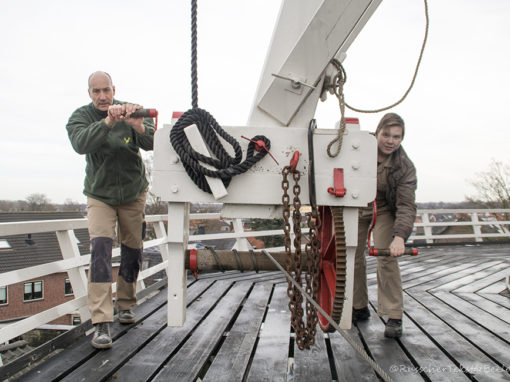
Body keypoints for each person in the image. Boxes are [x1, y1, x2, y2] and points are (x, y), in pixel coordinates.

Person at [66, 71, 155, 349]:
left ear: (114, 89)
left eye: (106, 90)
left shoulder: (134, 110)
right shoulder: (80, 117)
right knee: (101, 250)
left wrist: (137, 125)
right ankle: (101, 322)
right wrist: (108, 121)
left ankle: (126, 304)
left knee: (132, 248)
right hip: (100, 195)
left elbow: (153, 143)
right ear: (89, 93)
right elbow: (81, 144)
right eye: (96, 92)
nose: (103, 96)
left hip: (132, 192)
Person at [352, 112, 417, 338]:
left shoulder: (404, 167)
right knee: (351, 254)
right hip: (357, 204)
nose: (391, 141)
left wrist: (399, 238)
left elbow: (406, 205)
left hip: (385, 208)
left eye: (397, 137)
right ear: (377, 133)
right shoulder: (359, 149)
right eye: (386, 134)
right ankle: (358, 306)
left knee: (387, 255)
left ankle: (394, 315)